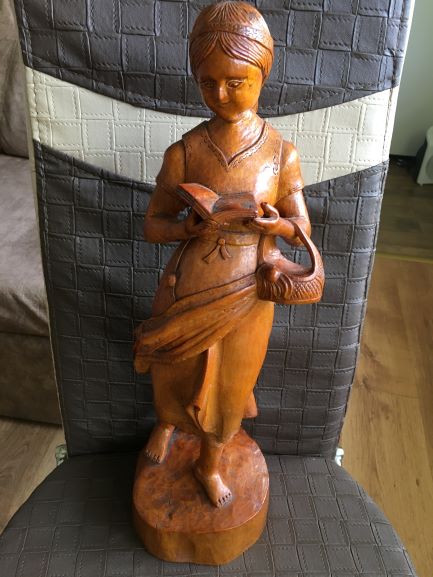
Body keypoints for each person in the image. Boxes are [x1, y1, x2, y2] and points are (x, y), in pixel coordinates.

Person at [134, 1, 311, 508]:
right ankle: (167, 422)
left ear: (262, 75)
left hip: (249, 289)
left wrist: (278, 224)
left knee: (232, 385)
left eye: (236, 82)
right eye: (208, 83)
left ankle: (209, 464)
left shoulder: (281, 154)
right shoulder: (184, 151)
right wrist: (185, 227)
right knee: (175, 365)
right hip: (190, 283)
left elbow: (302, 226)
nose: (221, 94)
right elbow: (152, 224)